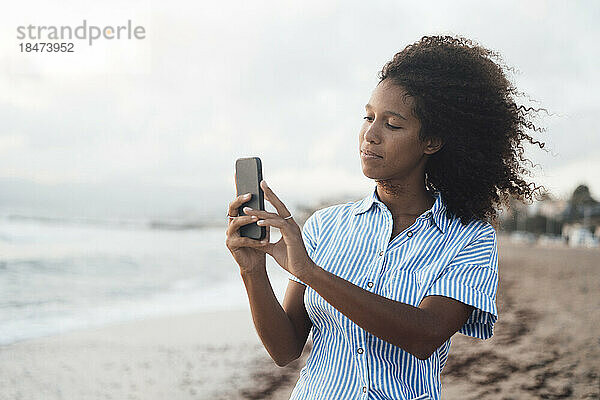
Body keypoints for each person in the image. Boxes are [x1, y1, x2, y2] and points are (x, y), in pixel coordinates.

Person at [225, 35, 546, 400]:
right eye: (368, 117)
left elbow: (425, 334)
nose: (370, 135)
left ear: (432, 141)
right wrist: (252, 271)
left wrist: (312, 272)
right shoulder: (325, 226)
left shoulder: (469, 237)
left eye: (392, 124)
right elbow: (285, 351)